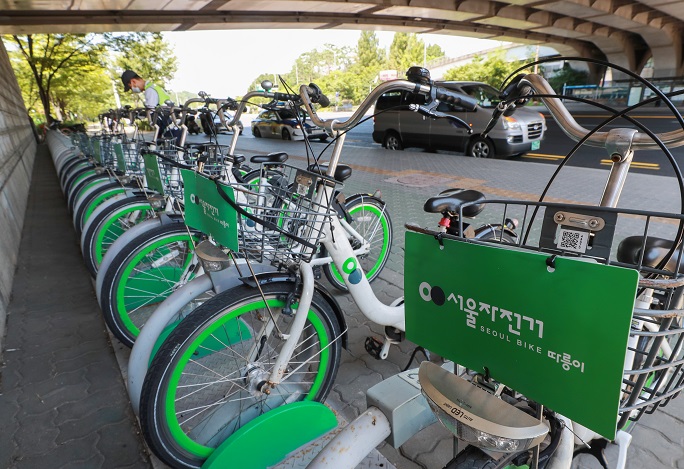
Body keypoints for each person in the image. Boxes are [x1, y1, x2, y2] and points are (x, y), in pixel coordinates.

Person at [121, 70, 180, 144]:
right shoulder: (153, 87)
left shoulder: (150, 90)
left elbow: (151, 110)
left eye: (130, 88)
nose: (132, 90)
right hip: (171, 125)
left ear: (133, 82)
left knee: (170, 152)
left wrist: (138, 114)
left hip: (169, 128)